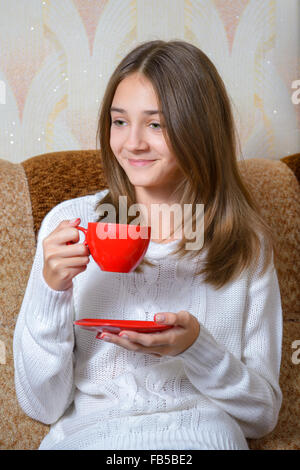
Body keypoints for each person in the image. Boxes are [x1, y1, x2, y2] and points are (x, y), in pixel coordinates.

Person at [13, 40, 283, 450]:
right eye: (119, 122)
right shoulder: (71, 225)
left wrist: (196, 348)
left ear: (200, 130)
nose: (132, 143)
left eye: (155, 125)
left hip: (201, 441)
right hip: (91, 441)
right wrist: (53, 292)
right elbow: (41, 406)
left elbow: (261, 416)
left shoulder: (245, 244)